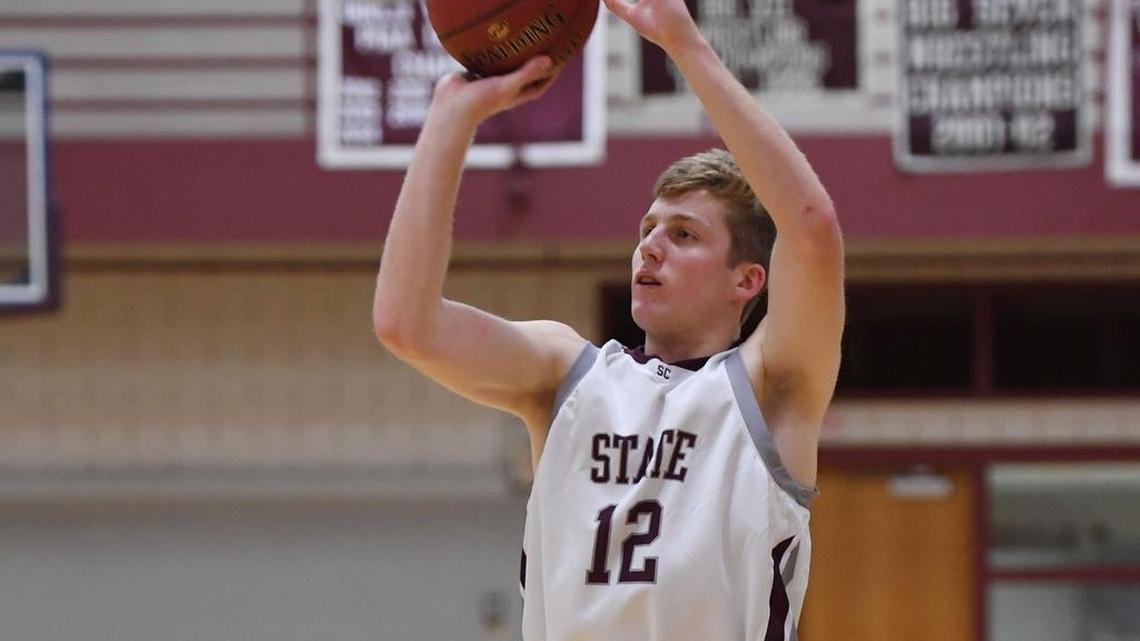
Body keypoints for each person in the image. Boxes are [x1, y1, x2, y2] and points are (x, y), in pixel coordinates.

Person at [373, 0, 845, 639]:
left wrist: (683, 44)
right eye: (648, 229)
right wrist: (450, 118)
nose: (650, 247)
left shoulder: (770, 391)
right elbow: (406, 323)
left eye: (683, 234)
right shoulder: (565, 376)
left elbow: (812, 229)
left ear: (747, 279)